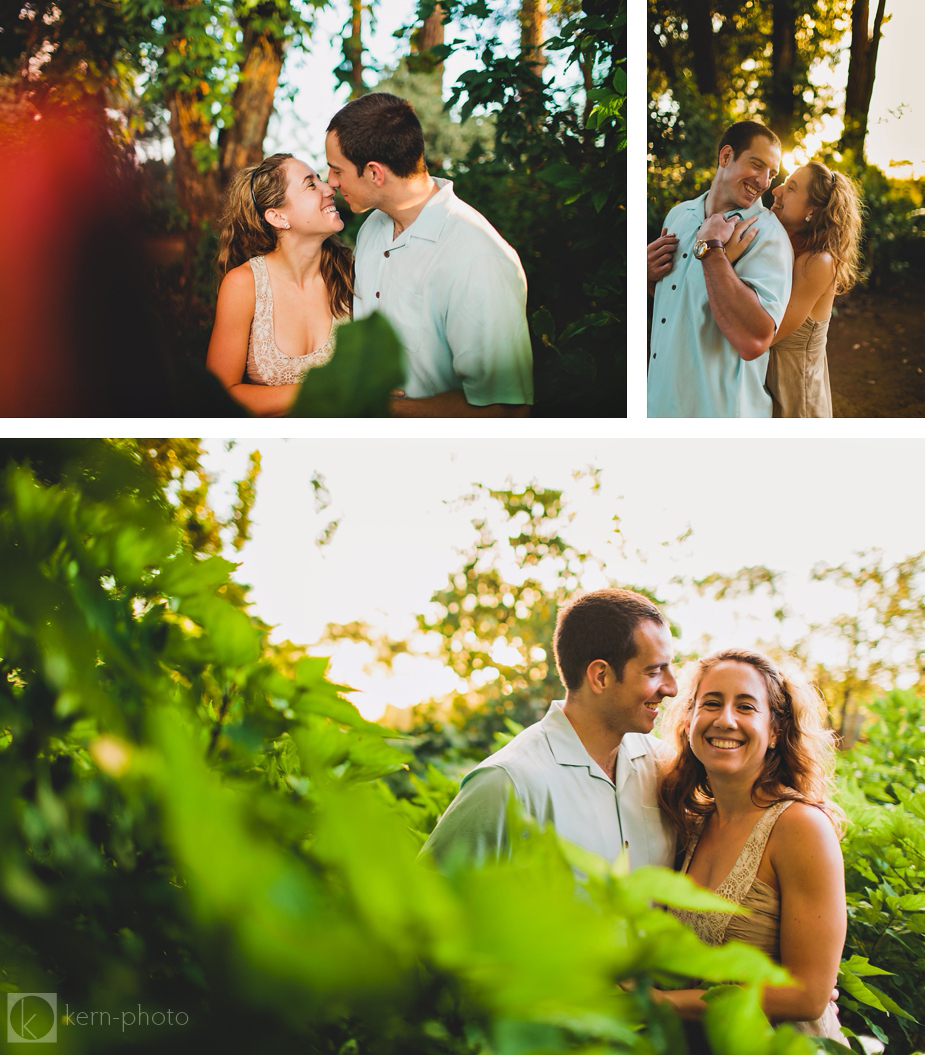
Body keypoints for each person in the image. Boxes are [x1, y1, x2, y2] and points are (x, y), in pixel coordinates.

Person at [655, 649, 847, 1042]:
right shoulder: (692, 825)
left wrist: (665, 1002)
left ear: (775, 730)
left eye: (746, 706)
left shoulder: (800, 827)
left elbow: (808, 996)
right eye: (711, 703)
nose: (725, 720)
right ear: (689, 720)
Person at [421, 589, 678, 871]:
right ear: (601, 676)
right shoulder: (506, 784)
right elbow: (422, 902)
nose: (671, 688)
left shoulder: (664, 766)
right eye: (653, 672)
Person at [324, 92, 533, 418]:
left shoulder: (477, 259)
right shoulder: (372, 227)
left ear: (375, 173)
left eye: (337, 170)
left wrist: (388, 408)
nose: (331, 182)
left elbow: (506, 409)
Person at [647, 121, 794, 418]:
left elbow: (754, 339)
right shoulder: (679, 215)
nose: (765, 181)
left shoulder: (767, 234)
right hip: (659, 405)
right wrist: (647, 279)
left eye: (772, 173)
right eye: (757, 165)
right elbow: (681, 298)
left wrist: (712, 248)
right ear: (726, 157)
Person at [206, 153, 353, 416]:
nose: (329, 188)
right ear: (277, 216)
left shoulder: (351, 273)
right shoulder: (244, 285)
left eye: (320, 180)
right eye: (311, 184)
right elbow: (218, 395)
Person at [724, 162, 863, 417]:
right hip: (760, 383)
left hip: (795, 394)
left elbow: (762, 336)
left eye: (790, 188)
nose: (776, 191)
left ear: (812, 210)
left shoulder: (818, 263)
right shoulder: (779, 243)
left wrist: (722, 260)